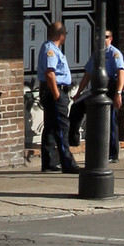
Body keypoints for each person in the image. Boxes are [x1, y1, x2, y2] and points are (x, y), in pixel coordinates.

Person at [80, 27, 124, 163]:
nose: (102, 40)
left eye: (105, 37)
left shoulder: (114, 53)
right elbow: (87, 74)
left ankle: (113, 153)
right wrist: (78, 92)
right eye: (99, 37)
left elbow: (121, 73)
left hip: (112, 87)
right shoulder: (96, 54)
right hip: (99, 88)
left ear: (110, 39)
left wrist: (118, 93)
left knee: (111, 121)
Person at [37, 20, 75, 173]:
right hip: (54, 91)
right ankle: (67, 162)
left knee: (51, 127)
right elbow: (50, 73)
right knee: (62, 127)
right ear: (61, 35)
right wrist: (57, 94)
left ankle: (50, 162)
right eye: (65, 34)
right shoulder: (50, 50)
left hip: (54, 90)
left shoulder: (53, 49)